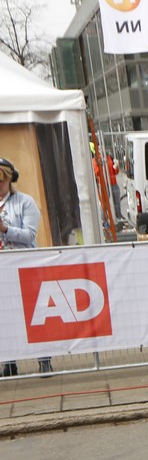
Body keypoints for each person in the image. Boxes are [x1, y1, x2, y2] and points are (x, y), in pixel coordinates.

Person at [0, 158, 52, 376]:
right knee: (4, 317)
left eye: (1, 180)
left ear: (10, 179)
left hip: (24, 267)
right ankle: (9, 363)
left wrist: (5, 229)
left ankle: (45, 360)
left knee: (35, 314)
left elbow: (29, 235)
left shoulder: (25, 202)